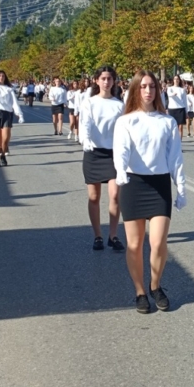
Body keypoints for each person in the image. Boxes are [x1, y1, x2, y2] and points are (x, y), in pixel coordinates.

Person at [113, 71, 186, 314]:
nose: (148, 91)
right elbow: (121, 149)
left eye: (152, 86)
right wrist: (121, 173)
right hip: (133, 184)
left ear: (158, 90)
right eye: (143, 86)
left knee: (158, 242)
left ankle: (155, 286)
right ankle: (140, 292)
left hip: (159, 185)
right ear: (135, 90)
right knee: (134, 245)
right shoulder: (126, 121)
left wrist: (181, 186)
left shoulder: (167, 122)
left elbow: (175, 156)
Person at [80, 66, 125, 251]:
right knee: (94, 197)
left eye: (109, 78)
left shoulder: (119, 105)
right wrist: (86, 139)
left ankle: (113, 235)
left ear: (114, 81)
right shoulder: (89, 102)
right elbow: (85, 123)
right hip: (93, 153)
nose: (106, 82)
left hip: (113, 154)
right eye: (103, 78)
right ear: (97, 81)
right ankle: (97, 235)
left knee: (115, 195)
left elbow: (124, 129)